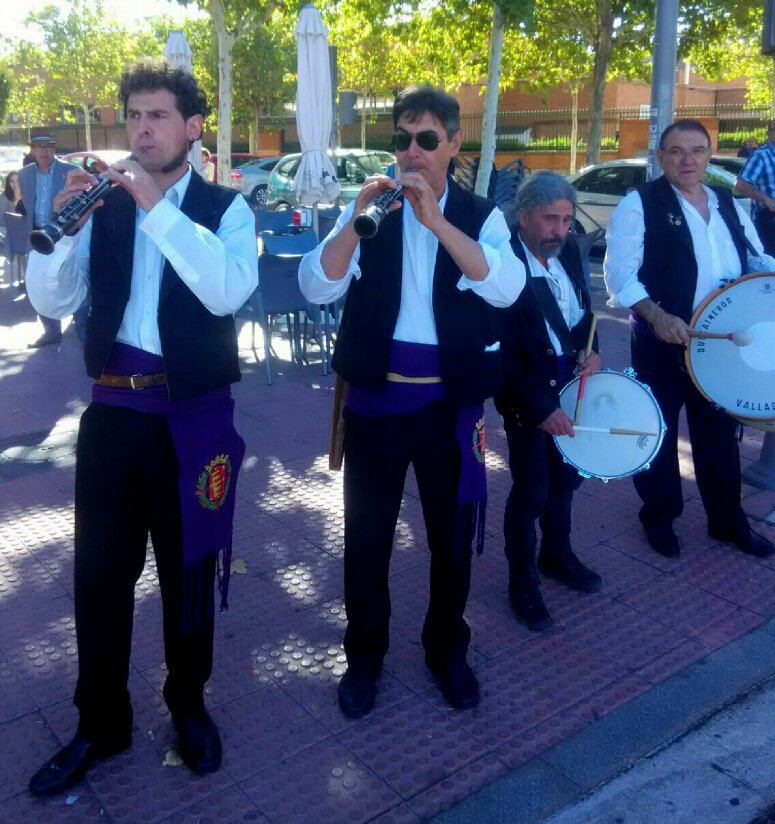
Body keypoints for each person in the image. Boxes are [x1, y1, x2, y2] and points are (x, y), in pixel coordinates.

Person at [25, 58, 258, 796]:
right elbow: (52, 300)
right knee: (99, 578)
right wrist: (63, 231)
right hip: (115, 414)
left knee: (189, 576)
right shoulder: (105, 203)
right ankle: (101, 722)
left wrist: (156, 205)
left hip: (193, 419)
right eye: (133, 116)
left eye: (157, 116)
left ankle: (187, 707)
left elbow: (225, 292)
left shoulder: (227, 208)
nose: (142, 129)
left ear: (192, 128)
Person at [299, 84, 525, 718]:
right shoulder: (372, 209)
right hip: (375, 407)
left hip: (448, 412)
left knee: (451, 542)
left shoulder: (481, 216)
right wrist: (355, 219)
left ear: (454, 144)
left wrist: (438, 223)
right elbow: (316, 286)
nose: (413, 151)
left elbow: (505, 289)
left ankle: (446, 652)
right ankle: (363, 658)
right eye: (402, 138)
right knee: (365, 542)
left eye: (427, 139)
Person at [605, 119, 774, 560]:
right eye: (677, 151)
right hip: (664, 339)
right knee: (658, 431)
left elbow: (755, 256)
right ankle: (659, 516)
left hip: (722, 343)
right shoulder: (639, 203)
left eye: (697, 151)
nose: (688, 160)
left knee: (719, 434)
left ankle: (727, 520)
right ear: (661, 157)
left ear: (708, 155)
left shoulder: (728, 204)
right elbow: (620, 273)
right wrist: (656, 315)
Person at [495, 172, 602, 631]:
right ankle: (522, 581)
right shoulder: (501, 266)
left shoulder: (568, 254)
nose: (560, 229)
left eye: (566, 219)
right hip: (528, 397)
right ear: (523, 217)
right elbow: (499, 355)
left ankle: (557, 554)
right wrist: (541, 410)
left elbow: (581, 319)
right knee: (532, 490)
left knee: (567, 480)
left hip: (573, 386)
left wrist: (593, 353)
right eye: (550, 219)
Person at [17, 134, 80, 347]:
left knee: (72, 279)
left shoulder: (69, 171)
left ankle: (83, 330)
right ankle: (51, 332)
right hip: (38, 238)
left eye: (48, 147)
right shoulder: (24, 174)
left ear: (54, 149)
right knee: (39, 286)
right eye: (39, 147)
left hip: (64, 235)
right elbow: (27, 203)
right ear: (32, 150)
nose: (44, 151)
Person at [735, 121, 775, 254]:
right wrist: (766, 200)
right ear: (768, 133)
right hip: (769, 218)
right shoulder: (761, 155)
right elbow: (741, 184)